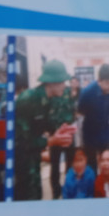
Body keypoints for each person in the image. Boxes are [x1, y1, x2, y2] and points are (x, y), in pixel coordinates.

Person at [13, 60, 77, 201]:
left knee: (37, 197)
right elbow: (20, 142)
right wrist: (51, 141)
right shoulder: (27, 100)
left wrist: (60, 131)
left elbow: (43, 126)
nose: (65, 86)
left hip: (34, 162)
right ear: (52, 83)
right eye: (62, 82)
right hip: (23, 165)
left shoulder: (48, 100)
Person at [76, 64, 109, 165]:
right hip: (90, 134)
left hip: (105, 131)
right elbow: (80, 113)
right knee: (91, 163)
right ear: (99, 80)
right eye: (108, 83)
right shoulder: (87, 93)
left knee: (106, 162)